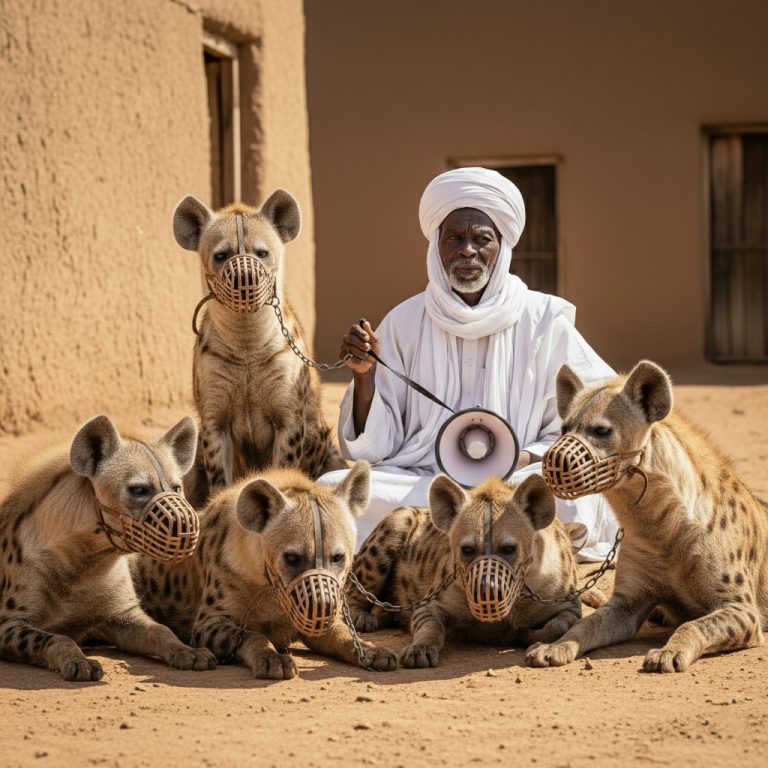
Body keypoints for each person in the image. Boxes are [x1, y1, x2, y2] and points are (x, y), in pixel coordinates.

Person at [318, 167, 617, 561]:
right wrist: (365, 377)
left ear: (503, 246)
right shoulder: (404, 322)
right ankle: (502, 545)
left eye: (482, 239)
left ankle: (425, 545)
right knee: (331, 489)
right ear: (436, 246)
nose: (467, 251)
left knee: (578, 497)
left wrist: (527, 456)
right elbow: (372, 450)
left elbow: (601, 408)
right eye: (454, 238)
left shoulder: (543, 319)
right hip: (428, 482)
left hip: (517, 483)